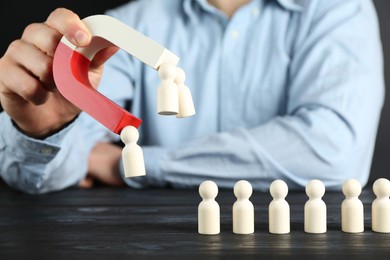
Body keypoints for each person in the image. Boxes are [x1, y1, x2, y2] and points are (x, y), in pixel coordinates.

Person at [0, 0, 384, 194]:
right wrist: (46, 128)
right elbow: (57, 171)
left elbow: (333, 151)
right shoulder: (133, 24)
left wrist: (130, 165)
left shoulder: (337, 10)